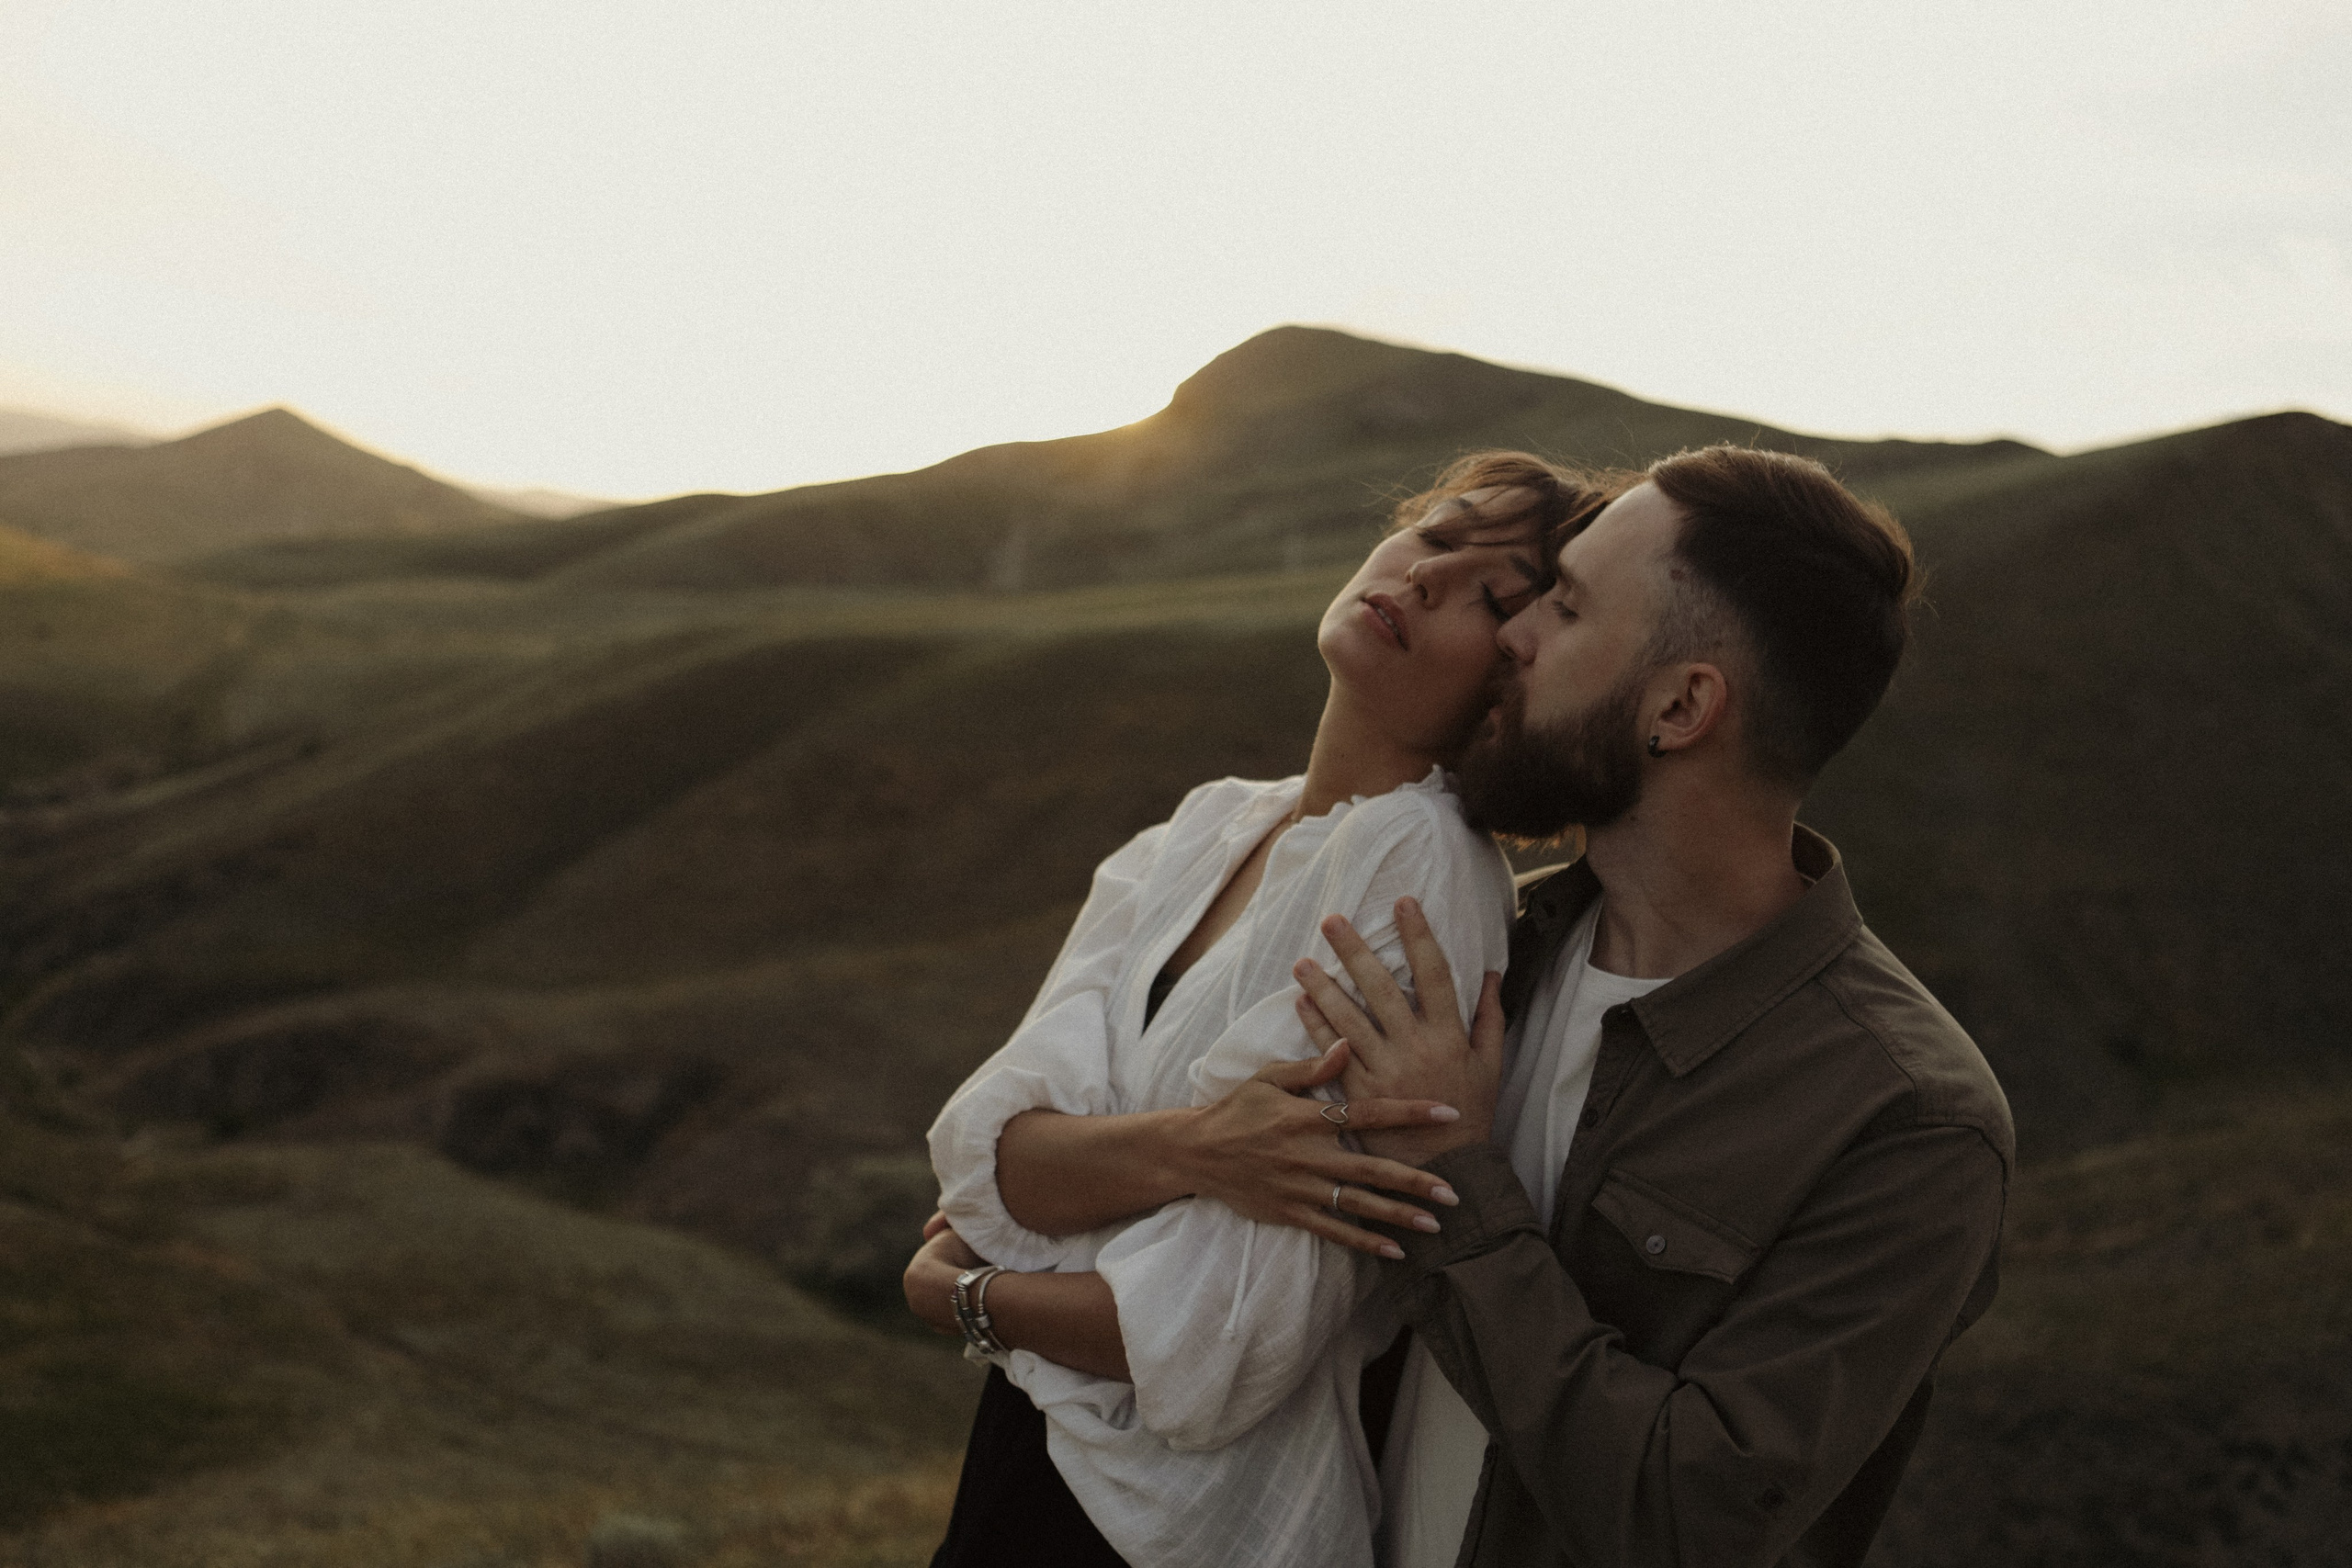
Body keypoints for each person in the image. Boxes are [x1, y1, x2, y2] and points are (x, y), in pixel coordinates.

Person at [1289, 446, 2016, 1567]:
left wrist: (1451, 1177)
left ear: (1679, 706)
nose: (1514, 633)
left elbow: (1686, 1519)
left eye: (1567, 607)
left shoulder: (1905, 1119)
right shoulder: (1481, 949)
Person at [901, 454, 1617, 1567]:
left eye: (1491, 596)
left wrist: (966, 1293)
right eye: (1437, 534)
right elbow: (984, 1159)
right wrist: (1197, 1149)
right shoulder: (1203, 830)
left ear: (1514, 678)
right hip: (1027, 1455)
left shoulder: (1419, 865)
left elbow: (1216, 1342)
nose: (1427, 577)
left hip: (1182, 1528)